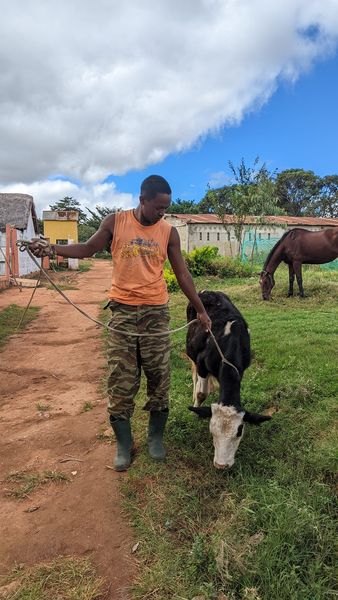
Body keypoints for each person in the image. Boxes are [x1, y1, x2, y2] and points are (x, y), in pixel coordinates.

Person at [29, 175, 211, 471]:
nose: (162, 214)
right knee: (121, 378)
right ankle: (124, 444)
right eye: (158, 208)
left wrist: (201, 310)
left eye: (166, 209)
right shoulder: (115, 222)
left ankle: (155, 438)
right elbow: (88, 249)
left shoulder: (169, 233)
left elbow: (183, 275)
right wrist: (52, 250)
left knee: (159, 376)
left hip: (156, 313)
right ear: (142, 200)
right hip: (123, 312)